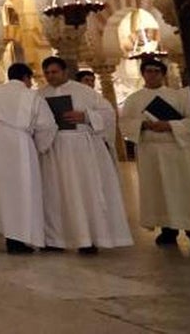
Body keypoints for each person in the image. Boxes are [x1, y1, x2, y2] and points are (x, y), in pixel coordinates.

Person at [118, 58, 190, 249]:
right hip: (151, 152)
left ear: (163, 74)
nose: (152, 74)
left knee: (185, 190)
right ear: (143, 74)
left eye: (156, 71)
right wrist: (144, 124)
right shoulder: (134, 99)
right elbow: (125, 124)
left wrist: (170, 125)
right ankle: (168, 231)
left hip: (177, 151)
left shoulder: (178, 96)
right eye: (148, 71)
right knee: (159, 191)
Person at [38, 56, 131, 254]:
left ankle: (89, 238)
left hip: (82, 149)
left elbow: (107, 114)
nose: (50, 76)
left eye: (54, 72)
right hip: (53, 149)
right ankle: (56, 239)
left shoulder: (84, 92)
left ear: (64, 72)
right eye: (46, 73)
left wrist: (86, 116)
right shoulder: (40, 95)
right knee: (56, 193)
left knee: (84, 191)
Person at [0, 63, 57, 253]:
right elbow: (47, 125)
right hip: (16, 142)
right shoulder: (32, 95)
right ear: (26, 78)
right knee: (17, 190)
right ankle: (15, 241)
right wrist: (40, 148)